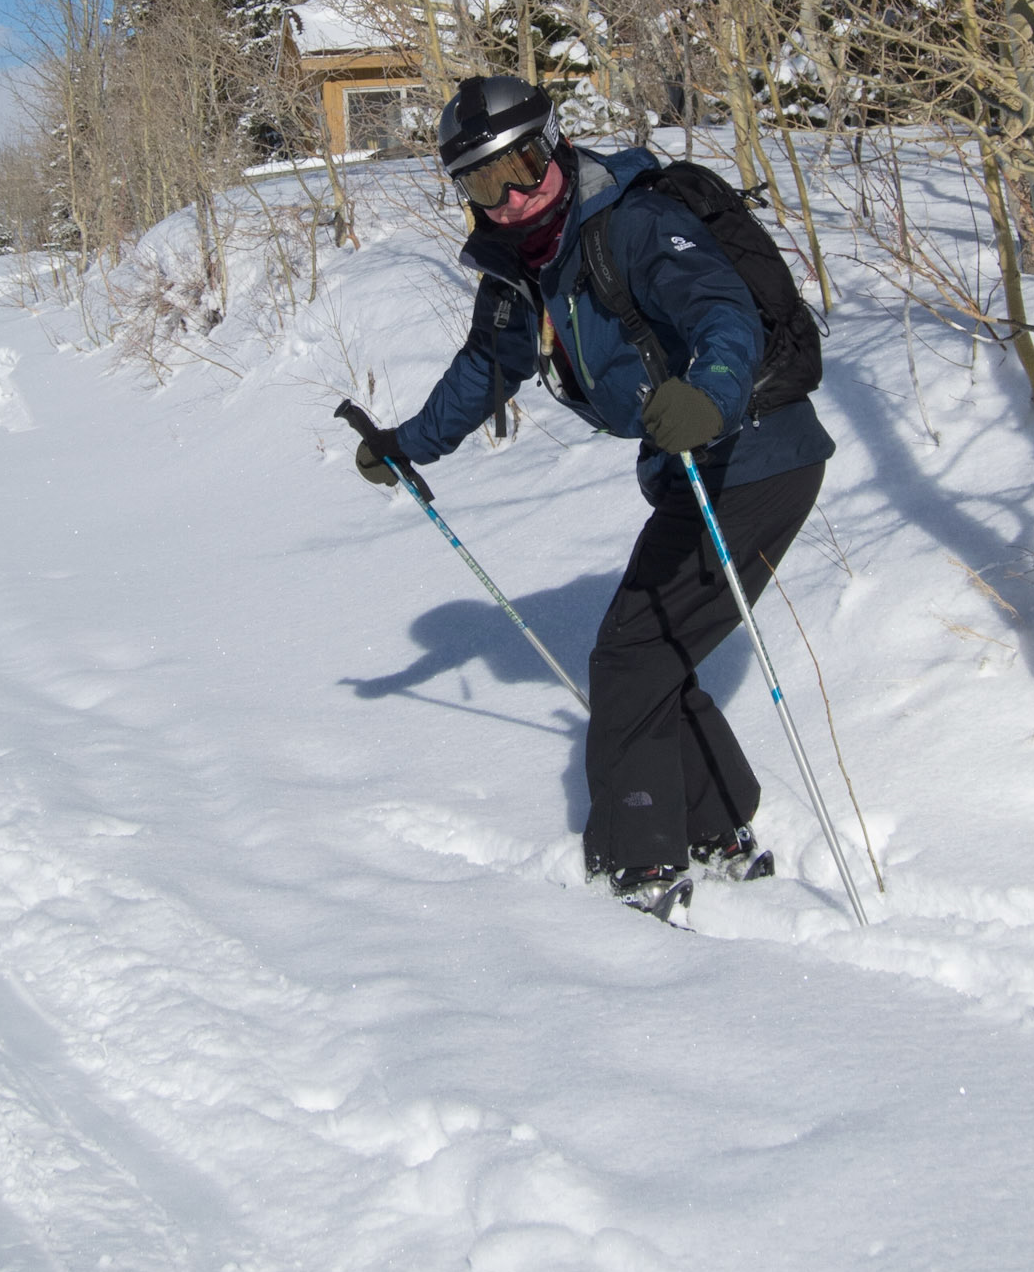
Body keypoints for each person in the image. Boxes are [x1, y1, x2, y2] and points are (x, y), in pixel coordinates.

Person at [354, 75, 835, 913]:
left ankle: (640, 863)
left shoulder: (635, 221)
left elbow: (724, 313)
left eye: (524, 165)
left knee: (630, 656)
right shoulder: (519, 269)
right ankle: (717, 830)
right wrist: (406, 446)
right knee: (653, 655)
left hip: (750, 452)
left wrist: (710, 396)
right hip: (690, 463)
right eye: (481, 181)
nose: (508, 196)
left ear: (557, 145)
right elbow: (487, 368)